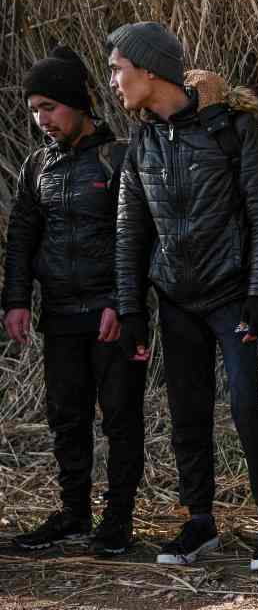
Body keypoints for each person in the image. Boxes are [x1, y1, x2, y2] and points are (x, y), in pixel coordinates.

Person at [105, 22, 258, 571]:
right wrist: (132, 306)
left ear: (149, 70)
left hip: (233, 298)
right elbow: (129, 229)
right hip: (175, 300)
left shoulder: (231, 127)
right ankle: (200, 522)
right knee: (186, 411)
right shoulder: (141, 138)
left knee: (248, 407)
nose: (113, 80)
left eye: (118, 69)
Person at [2, 46, 147, 556]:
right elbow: (21, 235)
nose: (42, 120)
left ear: (78, 104)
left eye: (50, 108)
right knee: (66, 416)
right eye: (35, 110)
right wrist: (16, 300)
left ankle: (118, 520)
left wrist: (119, 301)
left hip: (111, 315)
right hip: (59, 314)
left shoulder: (120, 156)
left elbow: (136, 238)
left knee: (122, 416)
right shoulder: (37, 164)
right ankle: (73, 514)